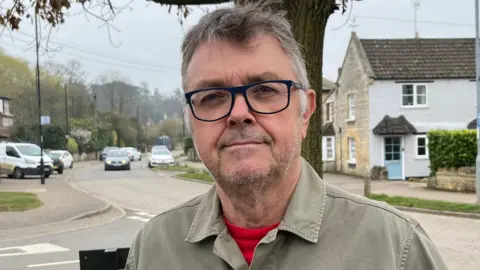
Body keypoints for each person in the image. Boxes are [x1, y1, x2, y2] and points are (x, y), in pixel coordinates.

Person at [125, 2, 448, 270]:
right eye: (212, 96)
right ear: (190, 118)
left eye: (264, 90)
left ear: (305, 111)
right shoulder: (154, 248)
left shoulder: (394, 248)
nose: (239, 113)